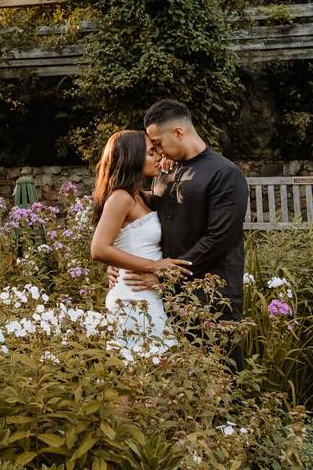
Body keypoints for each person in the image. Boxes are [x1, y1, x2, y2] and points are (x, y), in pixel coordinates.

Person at [108, 99, 249, 370]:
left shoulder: (225, 174)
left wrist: (163, 273)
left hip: (213, 296)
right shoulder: (166, 173)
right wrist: (119, 261)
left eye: (158, 143)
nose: (157, 152)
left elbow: (219, 239)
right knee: (178, 382)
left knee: (221, 374)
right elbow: (143, 220)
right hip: (166, 296)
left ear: (179, 133)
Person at [89, 130, 192, 357]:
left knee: (153, 377)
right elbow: (98, 248)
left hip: (146, 294)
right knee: (139, 378)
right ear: (132, 158)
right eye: (150, 153)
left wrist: (169, 169)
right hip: (133, 297)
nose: (158, 156)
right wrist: (154, 266)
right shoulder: (120, 198)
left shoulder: (140, 196)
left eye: (157, 151)